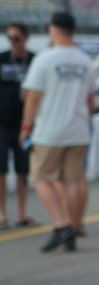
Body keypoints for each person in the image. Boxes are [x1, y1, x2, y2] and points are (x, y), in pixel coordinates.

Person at [20, 11, 93, 252]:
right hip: (78, 130)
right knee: (72, 181)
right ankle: (70, 228)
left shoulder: (45, 58)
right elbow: (91, 101)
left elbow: (32, 97)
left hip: (50, 131)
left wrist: (26, 126)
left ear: (54, 29)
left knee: (40, 178)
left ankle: (62, 225)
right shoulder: (85, 60)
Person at [0, 21, 36, 229]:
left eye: (16, 38)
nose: (13, 42)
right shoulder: (2, 58)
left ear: (25, 38)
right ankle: (2, 214)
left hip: (25, 125)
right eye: (10, 38)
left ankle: (22, 213)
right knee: (1, 170)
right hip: (2, 123)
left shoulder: (34, 60)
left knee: (23, 170)